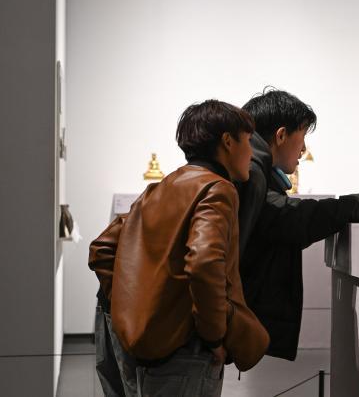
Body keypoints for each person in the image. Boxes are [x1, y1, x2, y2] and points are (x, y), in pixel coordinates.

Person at [236, 88, 359, 361]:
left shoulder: (252, 169)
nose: (303, 150)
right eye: (302, 137)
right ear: (281, 135)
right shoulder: (252, 173)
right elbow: (296, 218)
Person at [88, 100, 269, 397]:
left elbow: (102, 249)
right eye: (248, 141)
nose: (251, 153)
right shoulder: (217, 189)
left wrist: (130, 307)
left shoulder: (161, 187)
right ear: (227, 142)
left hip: (145, 351)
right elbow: (203, 262)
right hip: (187, 351)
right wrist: (214, 337)